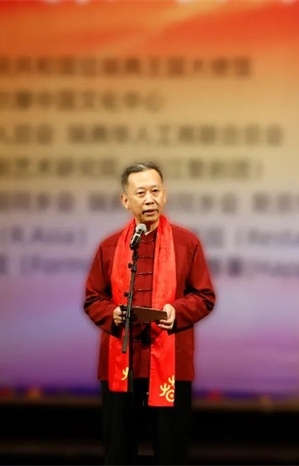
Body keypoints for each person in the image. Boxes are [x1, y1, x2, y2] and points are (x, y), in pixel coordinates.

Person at [83, 161, 216, 465]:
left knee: (171, 452)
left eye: (155, 191)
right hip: (121, 364)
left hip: (171, 362)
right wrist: (113, 313)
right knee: (119, 453)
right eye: (141, 193)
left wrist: (176, 311)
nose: (149, 200)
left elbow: (205, 296)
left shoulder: (186, 243)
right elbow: (93, 298)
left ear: (165, 195)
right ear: (125, 200)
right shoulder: (109, 246)